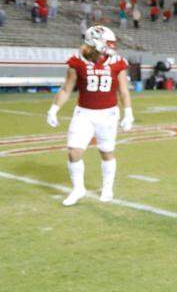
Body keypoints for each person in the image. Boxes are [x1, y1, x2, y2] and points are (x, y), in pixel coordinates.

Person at [46, 26, 135, 206]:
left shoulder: (118, 62)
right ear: (95, 43)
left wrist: (128, 112)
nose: (111, 47)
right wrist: (54, 108)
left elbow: (123, 90)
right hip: (84, 113)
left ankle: (107, 187)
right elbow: (66, 89)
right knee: (74, 152)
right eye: (108, 43)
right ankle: (78, 189)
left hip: (109, 114)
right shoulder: (77, 62)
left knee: (106, 151)